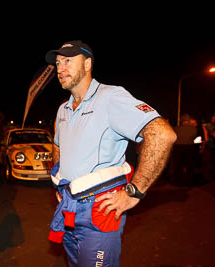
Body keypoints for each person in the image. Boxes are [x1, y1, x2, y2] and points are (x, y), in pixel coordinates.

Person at [45, 40, 176, 266]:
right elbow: (58, 145)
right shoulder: (63, 109)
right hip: (69, 208)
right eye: (57, 63)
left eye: (67, 61)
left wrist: (134, 192)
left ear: (87, 64)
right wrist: (59, 185)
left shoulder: (110, 97)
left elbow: (162, 134)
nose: (60, 68)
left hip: (100, 209)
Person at [169, 113, 198, 186]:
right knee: (190, 166)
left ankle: (178, 181)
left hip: (178, 148)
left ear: (182, 121)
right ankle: (189, 181)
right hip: (190, 148)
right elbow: (194, 137)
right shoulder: (194, 129)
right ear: (188, 121)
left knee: (178, 166)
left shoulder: (176, 128)